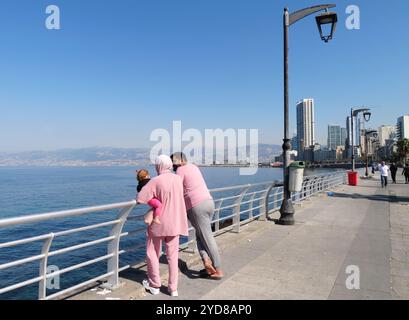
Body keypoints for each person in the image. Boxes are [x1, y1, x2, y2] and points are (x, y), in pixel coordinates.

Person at [137, 155, 188, 297]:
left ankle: (154, 284)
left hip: (158, 224)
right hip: (175, 223)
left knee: (152, 253)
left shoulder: (155, 181)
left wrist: (154, 200)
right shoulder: (178, 179)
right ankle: (173, 288)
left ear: (158, 166)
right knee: (173, 256)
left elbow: (140, 198)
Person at [171, 152, 224, 280]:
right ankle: (207, 262)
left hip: (196, 206)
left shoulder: (180, 171)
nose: (172, 165)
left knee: (207, 237)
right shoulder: (194, 167)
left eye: (173, 162)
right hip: (208, 202)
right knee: (200, 236)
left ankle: (218, 269)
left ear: (178, 162)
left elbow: (176, 190)